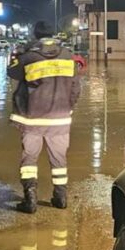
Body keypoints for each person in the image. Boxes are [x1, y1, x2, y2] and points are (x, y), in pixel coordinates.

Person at [7, 21, 81, 213]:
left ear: (35, 34)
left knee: (29, 160)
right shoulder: (67, 55)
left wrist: (17, 53)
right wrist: (68, 108)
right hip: (60, 119)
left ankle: (30, 200)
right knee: (59, 161)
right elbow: (75, 88)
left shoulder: (29, 56)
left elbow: (12, 73)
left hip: (33, 119)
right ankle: (60, 197)